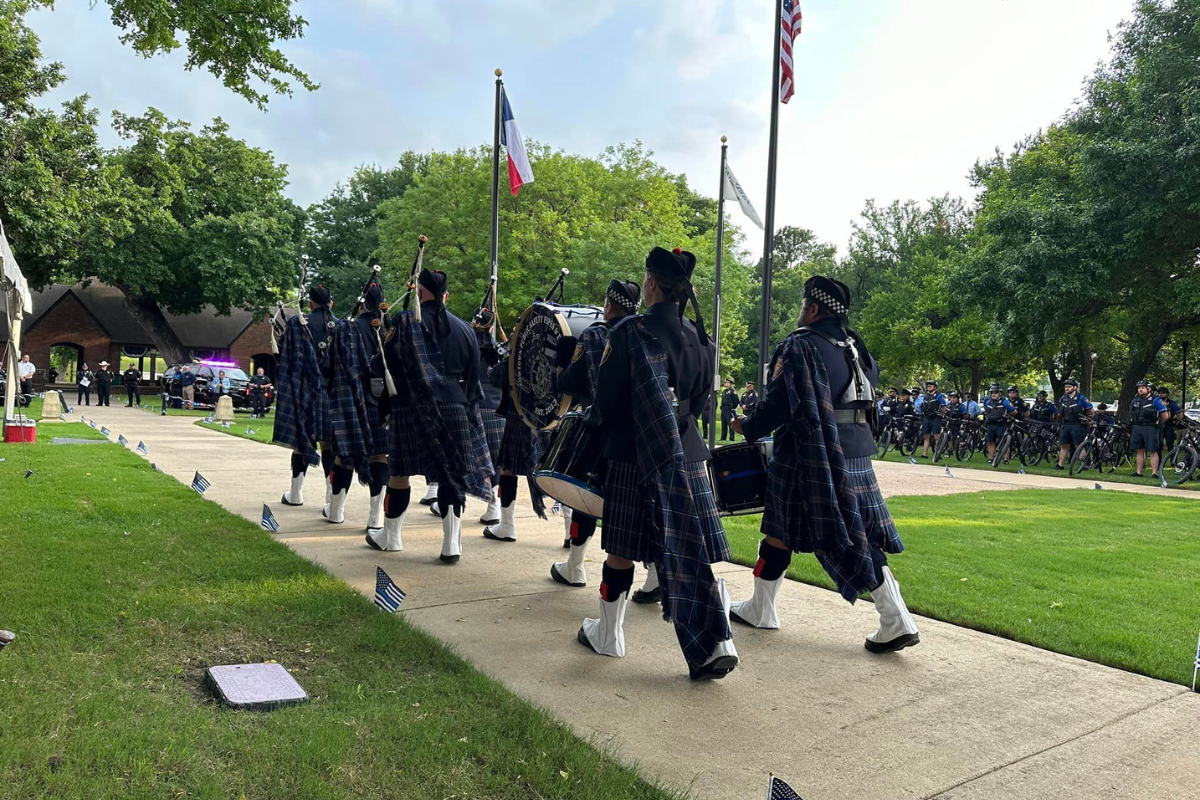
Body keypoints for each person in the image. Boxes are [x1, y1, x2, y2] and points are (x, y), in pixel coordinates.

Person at [731, 276, 919, 654]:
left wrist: (746, 426)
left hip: (808, 455)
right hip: (856, 454)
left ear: (813, 309)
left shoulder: (801, 346)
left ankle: (896, 620)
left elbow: (777, 404)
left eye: (803, 305)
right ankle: (761, 608)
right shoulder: (856, 347)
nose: (800, 312)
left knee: (846, 537)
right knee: (783, 531)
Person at [580, 246, 737, 680]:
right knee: (692, 549)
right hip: (686, 455)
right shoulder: (702, 340)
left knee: (621, 552)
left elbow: (606, 402)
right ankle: (719, 639)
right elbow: (702, 403)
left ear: (650, 284)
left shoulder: (629, 332)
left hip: (633, 454)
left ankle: (609, 637)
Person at [373, 267, 493, 560]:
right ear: (446, 296)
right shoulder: (466, 328)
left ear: (419, 291)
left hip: (409, 406)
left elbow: (379, 367)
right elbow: (474, 374)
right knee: (451, 475)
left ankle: (391, 537)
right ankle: (451, 545)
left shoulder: (401, 322)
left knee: (400, 473)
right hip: (453, 406)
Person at [548, 278, 641, 588]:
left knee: (584, 500)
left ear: (609, 306)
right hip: (639, 437)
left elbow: (571, 384)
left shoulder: (596, 335)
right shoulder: (646, 333)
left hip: (599, 430)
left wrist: (561, 370)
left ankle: (575, 567)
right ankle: (652, 579)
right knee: (639, 509)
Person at [327, 274, 392, 532]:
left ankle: (336, 512)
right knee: (380, 457)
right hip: (381, 403)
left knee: (344, 456)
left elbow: (329, 366)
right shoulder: (389, 330)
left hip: (351, 403)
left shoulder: (346, 329)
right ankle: (374, 519)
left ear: (362, 305)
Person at [275, 285, 337, 508]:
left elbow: (284, 355)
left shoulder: (296, 324)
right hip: (331, 392)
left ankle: (296, 494)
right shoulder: (340, 326)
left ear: (310, 303)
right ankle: (331, 497)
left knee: (302, 442)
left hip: (303, 391)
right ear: (331, 303)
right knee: (329, 444)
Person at [1129, 380, 1168, 478]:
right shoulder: (1135, 400)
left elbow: (1165, 415)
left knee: (1152, 450)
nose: (1140, 390)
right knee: (1139, 450)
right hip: (1138, 426)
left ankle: (1154, 473)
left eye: (1142, 387)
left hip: (1150, 427)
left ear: (1148, 389)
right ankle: (1139, 472)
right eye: (1139, 388)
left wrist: (1158, 423)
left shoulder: (1156, 400)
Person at [1055, 378, 1093, 469]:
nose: (1066, 388)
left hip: (1077, 424)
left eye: (1069, 387)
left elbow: (1091, 411)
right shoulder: (1063, 398)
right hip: (1065, 424)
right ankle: (1060, 465)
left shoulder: (1082, 398)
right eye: (1065, 387)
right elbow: (1060, 412)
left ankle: (1084, 464)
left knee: (1078, 444)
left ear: (1075, 387)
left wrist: (1084, 417)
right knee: (1064, 444)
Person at [982, 383, 1013, 461]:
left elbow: (1013, 411)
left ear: (999, 393)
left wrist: (1007, 415)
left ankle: (1006, 458)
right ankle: (991, 458)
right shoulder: (988, 402)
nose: (993, 394)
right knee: (990, 442)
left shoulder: (1005, 401)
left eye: (995, 392)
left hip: (1001, 424)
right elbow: (986, 411)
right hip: (990, 424)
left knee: (1003, 442)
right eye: (992, 392)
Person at [917, 379, 946, 458]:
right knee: (926, 436)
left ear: (935, 387)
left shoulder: (939, 396)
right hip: (926, 417)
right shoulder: (925, 396)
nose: (929, 387)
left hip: (936, 417)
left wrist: (942, 415)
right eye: (928, 385)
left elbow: (944, 406)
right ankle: (924, 454)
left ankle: (938, 453)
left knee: (937, 436)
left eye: (931, 385)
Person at [1156, 386, 1182, 460]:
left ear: (1167, 394)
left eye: (1163, 393)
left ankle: (1173, 461)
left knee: (1170, 443)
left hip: (1169, 424)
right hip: (1158, 424)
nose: (1161, 395)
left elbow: (1179, 414)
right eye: (1159, 393)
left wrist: (1176, 423)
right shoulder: (1155, 403)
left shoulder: (1172, 403)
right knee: (1158, 444)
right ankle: (1159, 462)